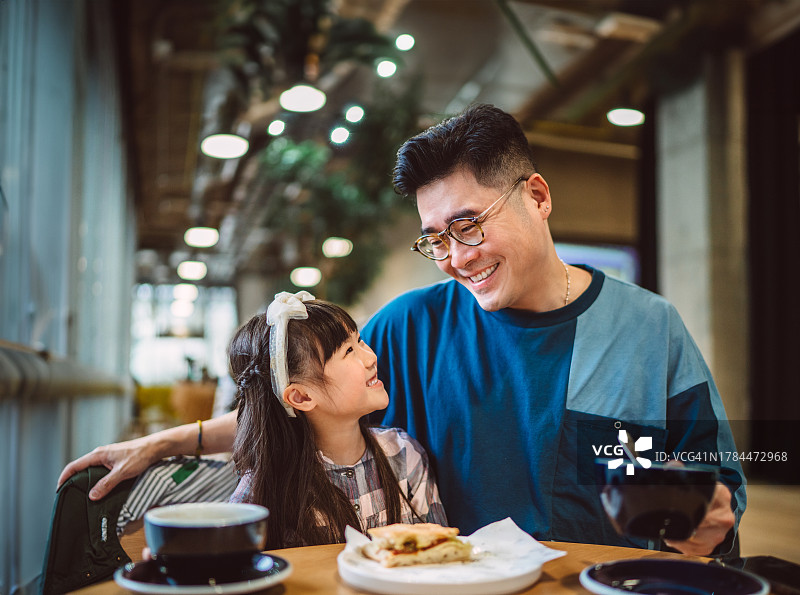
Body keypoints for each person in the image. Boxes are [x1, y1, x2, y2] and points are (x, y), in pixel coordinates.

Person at [59, 104, 743, 556]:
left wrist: (713, 516)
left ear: (536, 196)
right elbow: (298, 397)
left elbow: (720, 484)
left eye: (469, 225)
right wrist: (171, 438)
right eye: (436, 239)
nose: (456, 258)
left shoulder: (649, 329)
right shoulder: (413, 328)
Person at [226, 291, 446, 547]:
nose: (371, 357)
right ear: (301, 397)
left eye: (360, 340)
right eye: (349, 350)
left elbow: (440, 554)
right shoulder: (262, 489)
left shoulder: (404, 454)